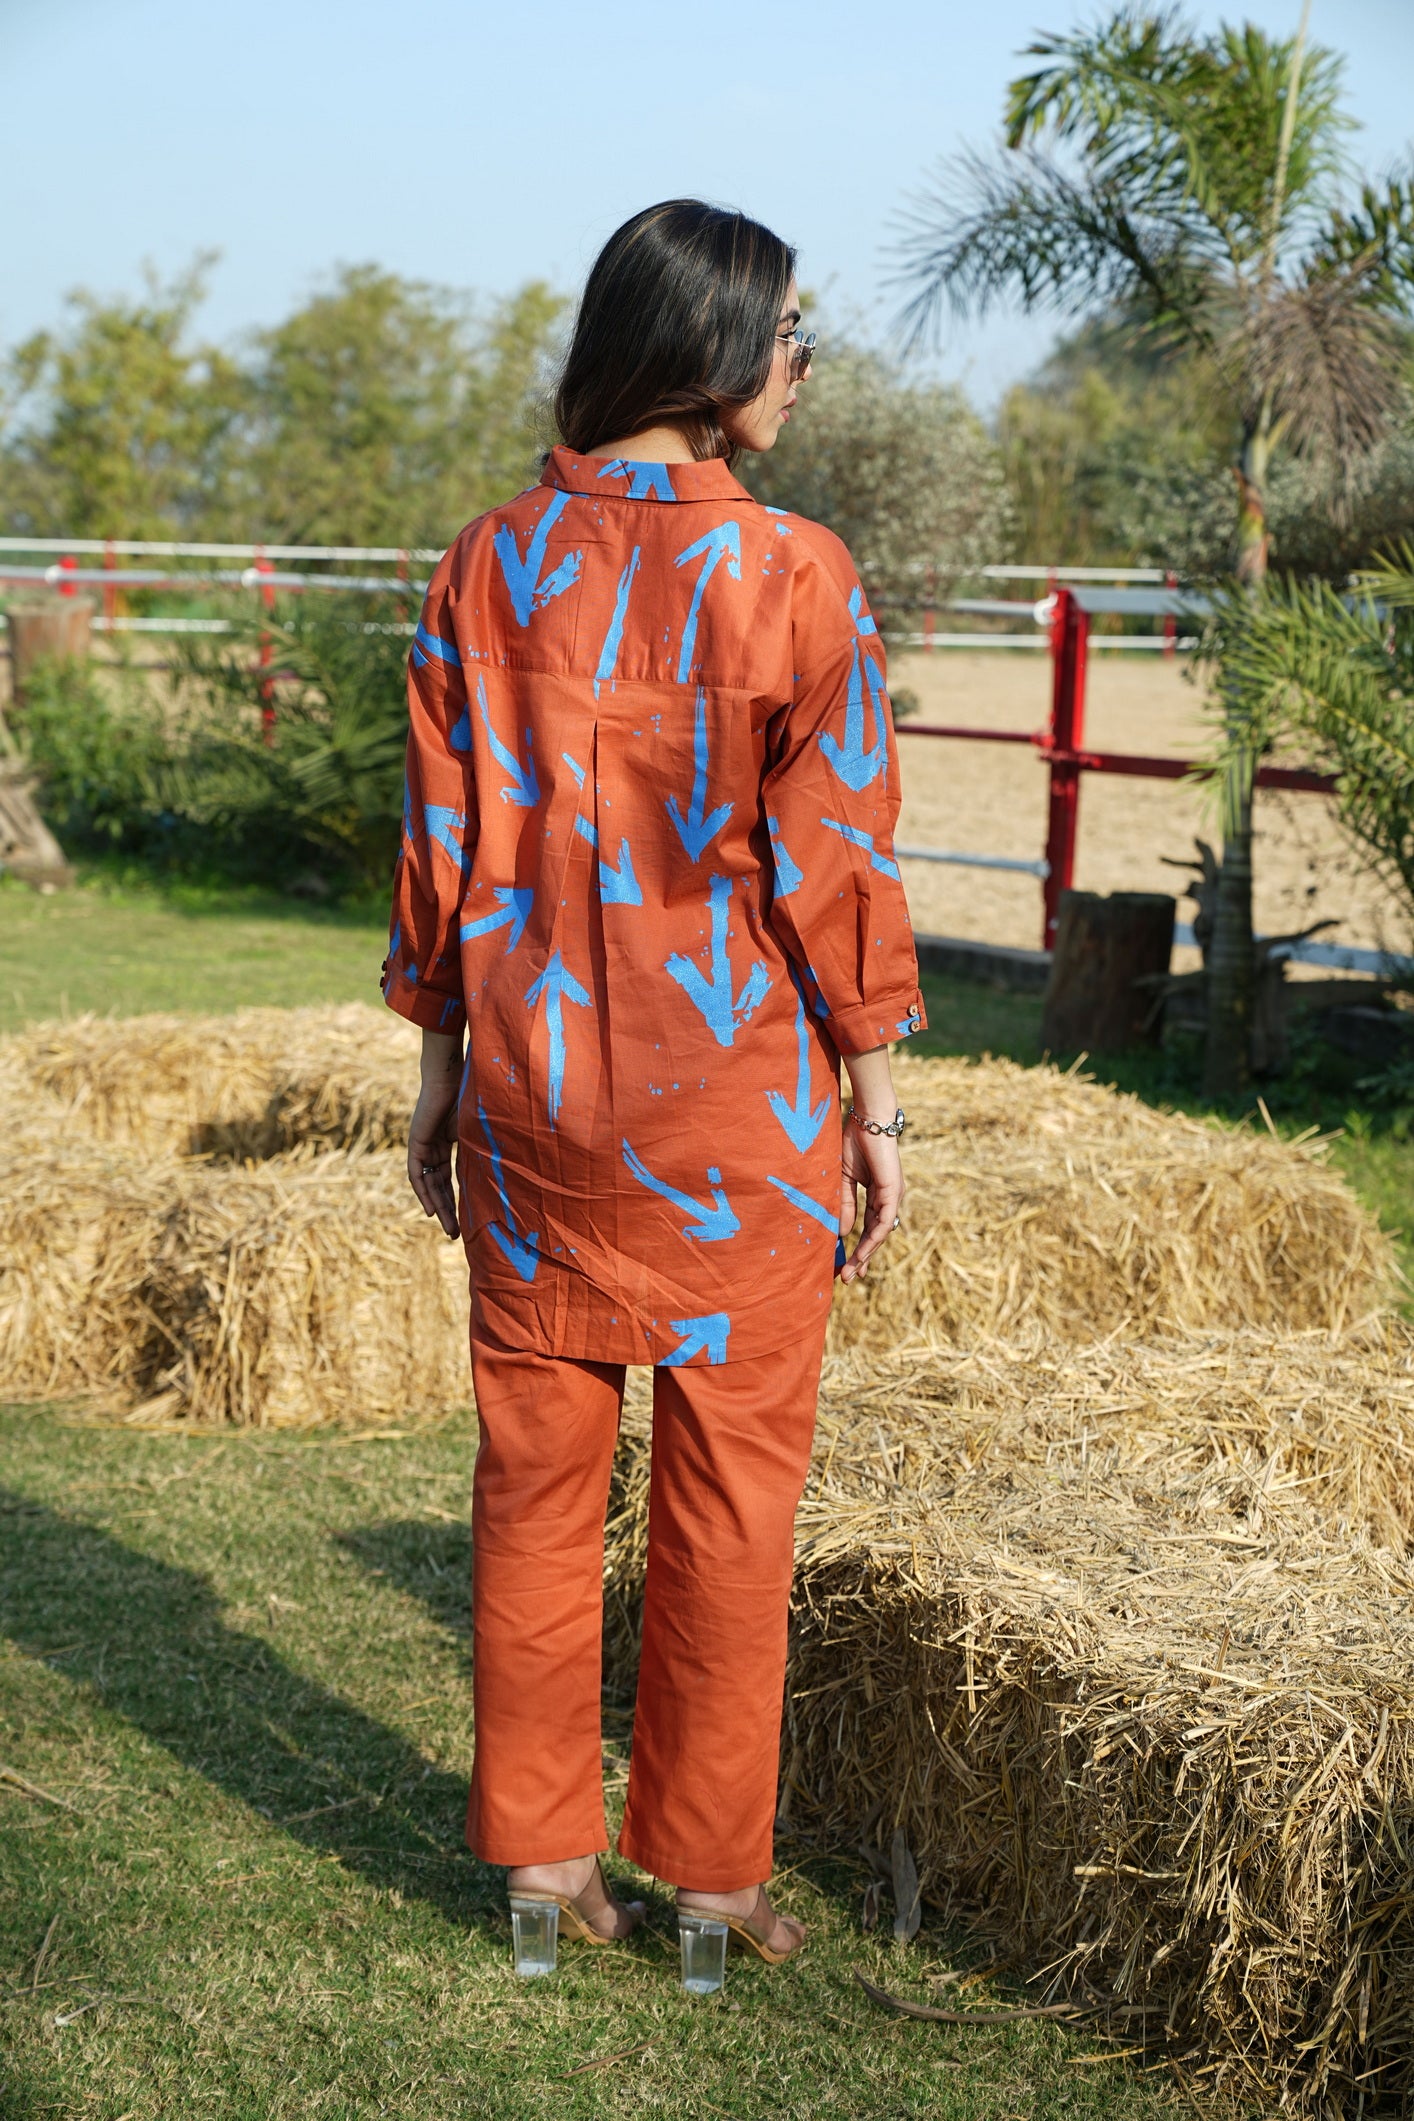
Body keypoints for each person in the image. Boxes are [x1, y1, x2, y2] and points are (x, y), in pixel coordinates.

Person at [382, 199, 923, 1966]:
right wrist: (876, 1104)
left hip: (534, 1106)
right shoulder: (794, 573)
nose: (802, 364)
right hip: (735, 1120)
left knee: (532, 1492)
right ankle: (709, 1883)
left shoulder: (487, 563)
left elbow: (442, 849)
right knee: (729, 1502)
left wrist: (437, 1081)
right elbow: (832, 869)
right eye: (787, 333)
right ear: (705, 351)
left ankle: (542, 1874)